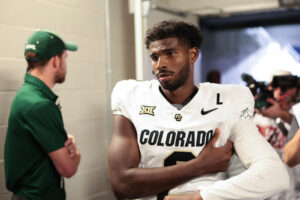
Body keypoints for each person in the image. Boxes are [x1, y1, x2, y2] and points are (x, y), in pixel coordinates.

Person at [108, 20, 289, 200]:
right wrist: (199, 166)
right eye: (155, 57)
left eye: (170, 53)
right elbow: (122, 185)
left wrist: (201, 197)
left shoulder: (229, 101)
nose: (160, 64)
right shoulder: (131, 95)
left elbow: (275, 174)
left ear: (193, 54)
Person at [4, 30, 81, 200]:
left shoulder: (27, 94)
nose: (66, 65)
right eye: (65, 58)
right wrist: (76, 153)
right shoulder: (39, 105)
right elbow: (68, 170)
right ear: (55, 60)